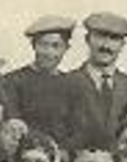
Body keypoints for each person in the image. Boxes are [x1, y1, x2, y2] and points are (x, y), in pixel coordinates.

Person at [66, 12, 127, 148]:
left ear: (122, 45)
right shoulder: (66, 83)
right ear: (87, 39)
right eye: (100, 37)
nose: (106, 46)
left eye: (114, 39)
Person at [6, 14, 76, 143]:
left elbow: (75, 130)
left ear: (66, 48)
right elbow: (12, 125)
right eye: (43, 45)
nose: (49, 52)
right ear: (34, 45)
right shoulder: (13, 81)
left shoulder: (71, 84)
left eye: (56, 46)